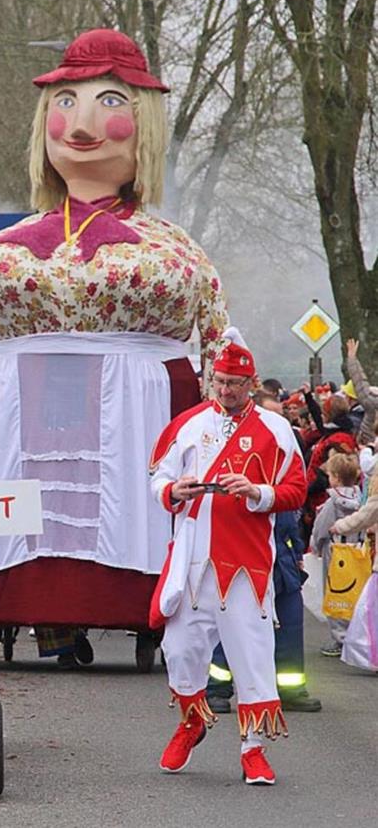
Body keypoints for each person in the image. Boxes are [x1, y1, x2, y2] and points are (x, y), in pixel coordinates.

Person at [0, 29, 227, 665]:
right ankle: (35, 613)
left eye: (109, 102)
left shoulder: (172, 248)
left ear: (143, 123)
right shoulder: (6, 244)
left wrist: (222, 428)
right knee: (32, 501)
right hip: (22, 401)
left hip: (139, 401)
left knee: (125, 494)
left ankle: (152, 607)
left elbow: (214, 332)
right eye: (65, 102)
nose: (82, 122)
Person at [149, 329, 305, 786]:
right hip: (194, 559)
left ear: (250, 383)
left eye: (234, 384)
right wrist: (173, 491)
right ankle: (191, 720)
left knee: (252, 657)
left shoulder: (277, 430)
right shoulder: (189, 423)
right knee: (179, 650)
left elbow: (294, 490)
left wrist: (258, 492)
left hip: (247, 563)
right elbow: (158, 477)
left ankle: (252, 749)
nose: (225, 390)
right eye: (219, 382)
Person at [206, 392, 321, 713]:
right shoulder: (234, 456)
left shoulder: (285, 453)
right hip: (242, 554)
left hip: (281, 556)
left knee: (289, 622)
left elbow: (292, 511)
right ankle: (217, 688)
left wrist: (296, 552)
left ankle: (290, 689)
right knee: (232, 622)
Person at [310, 451, 364, 657]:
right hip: (356, 550)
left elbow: (322, 527)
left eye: (331, 475)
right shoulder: (360, 498)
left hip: (334, 552)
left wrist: (315, 545)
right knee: (352, 594)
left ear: (337, 478)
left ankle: (339, 637)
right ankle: (352, 634)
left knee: (334, 593)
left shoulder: (332, 502)